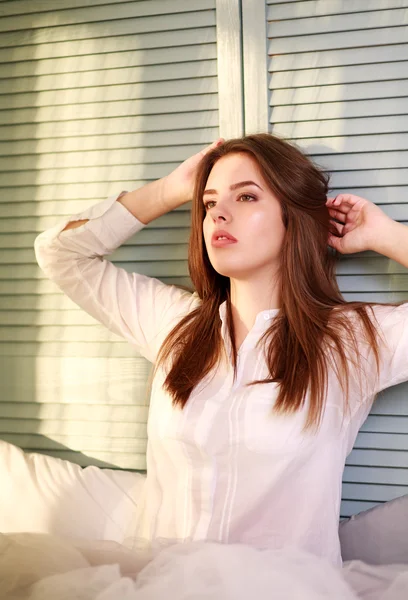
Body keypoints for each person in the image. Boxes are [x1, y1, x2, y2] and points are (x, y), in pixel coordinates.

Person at [34, 133, 408, 573]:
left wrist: (385, 235)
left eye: (246, 197)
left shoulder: (352, 343)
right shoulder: (174, 323)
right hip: (163, 584)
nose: (219, 215)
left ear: (294, 219)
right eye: (209, 203)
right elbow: (60, 254)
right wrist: (174, 188)